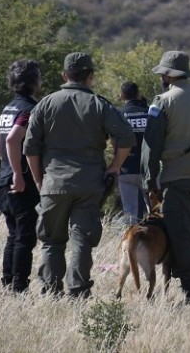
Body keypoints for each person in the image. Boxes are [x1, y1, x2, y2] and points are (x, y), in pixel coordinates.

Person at [24, 52, 134, 297]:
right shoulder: (99, 104)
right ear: (90, 77)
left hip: (54, 182)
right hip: (89, 183)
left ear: (64, 75)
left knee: (52, 241)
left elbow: (30, 148)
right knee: (82, 241)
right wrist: (115, 166)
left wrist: (39, 180)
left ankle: (51, 291)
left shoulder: (45, 104)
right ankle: (78, 291)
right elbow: (126, 137)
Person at [141, 51, 190, 302]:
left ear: (168, 75)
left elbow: (151, 145)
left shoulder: (162, 101)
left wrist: (150, 180)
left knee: (181, 233)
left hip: (176, 176)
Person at [0, 59, 42, 293]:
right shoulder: (28, 109)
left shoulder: (8, 108)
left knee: (13, 236)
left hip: (4, 183)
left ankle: (8, 283)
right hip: (19, 183)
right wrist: (18, 173)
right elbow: (13, 139)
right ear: (34, 82)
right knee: (25, 238)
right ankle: (19, 288)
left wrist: (7, 169)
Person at [118, 82, 149, 224]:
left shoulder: (119, 114)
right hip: (147, 169)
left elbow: (114, 141)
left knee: (131, 215)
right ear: (138, 94)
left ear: (122, 95)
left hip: (126, 169)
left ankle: (133, 243)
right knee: (154, 212)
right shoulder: (149, 112)